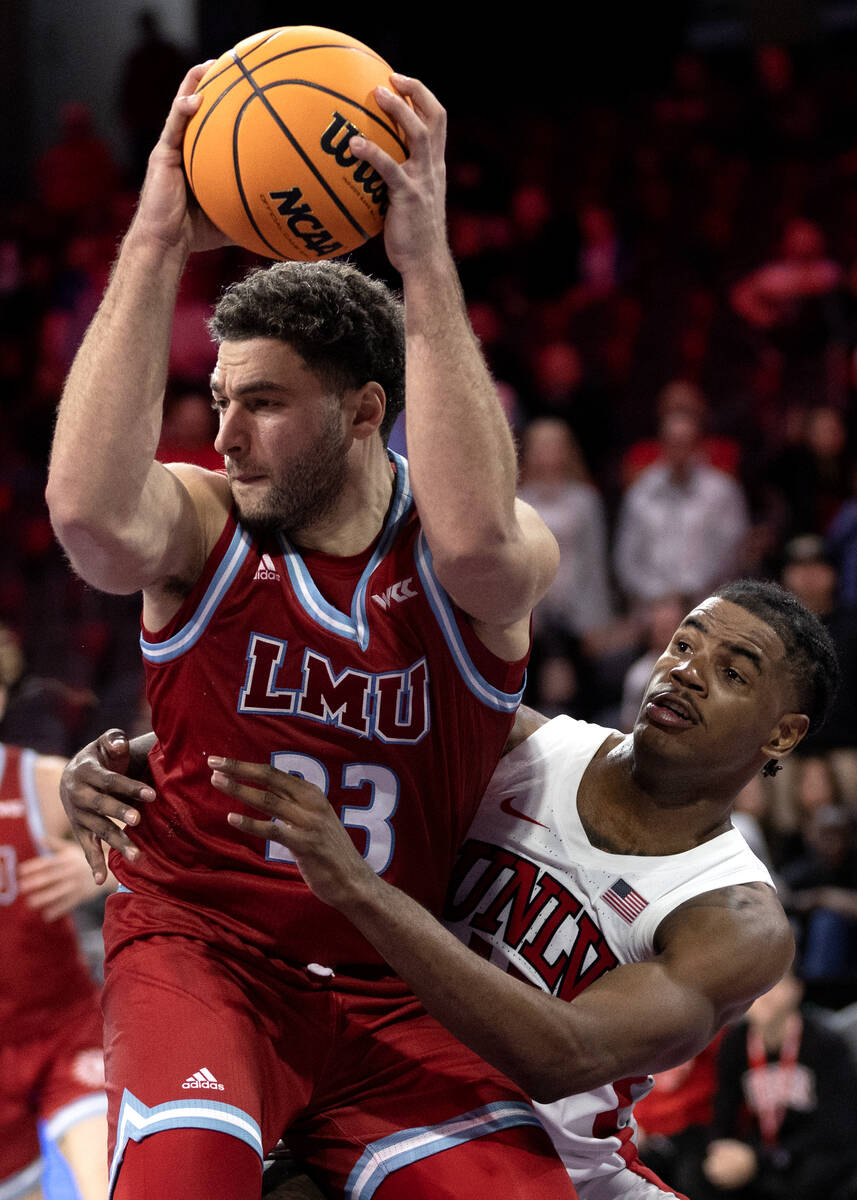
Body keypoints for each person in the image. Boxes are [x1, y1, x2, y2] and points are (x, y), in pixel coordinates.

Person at [46, 63, 568, 1200]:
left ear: (363, 411)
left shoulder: (472, 551)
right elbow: (88, 520)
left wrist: (425, 261)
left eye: (263, 404)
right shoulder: (205, 522)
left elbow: (476, 539)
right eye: (220, 398)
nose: (223, 434)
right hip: (204, 952)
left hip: (398, 981)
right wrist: (151, 241)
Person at [65, 578, 839, 1198]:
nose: (685, 673)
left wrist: (362, 889)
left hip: (554, 1164)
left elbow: (562, 1056)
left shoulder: (735, 917)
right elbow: (310, 736)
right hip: (362, 1088)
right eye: (682, 645)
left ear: (782, 735)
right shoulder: (523, 743)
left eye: (729, 672)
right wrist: (123, 761)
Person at [0, 629, 111, 1200]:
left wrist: (98, 868)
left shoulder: (40, 781)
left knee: (103, 1185)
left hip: (65, 1031)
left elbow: (162, 842)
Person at [699, 969, 857, 1200]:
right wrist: (723, 1150)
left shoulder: (825, 1044)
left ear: (797, 989)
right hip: (758, 1149)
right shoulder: (734, 1044)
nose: (764, 994)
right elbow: (723, 1113)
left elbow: (835, 1128)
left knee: (813, 1176)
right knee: (702, 1171)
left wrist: (761, 1158)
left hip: (810, 1152)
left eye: (775, 984)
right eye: (754, 986)